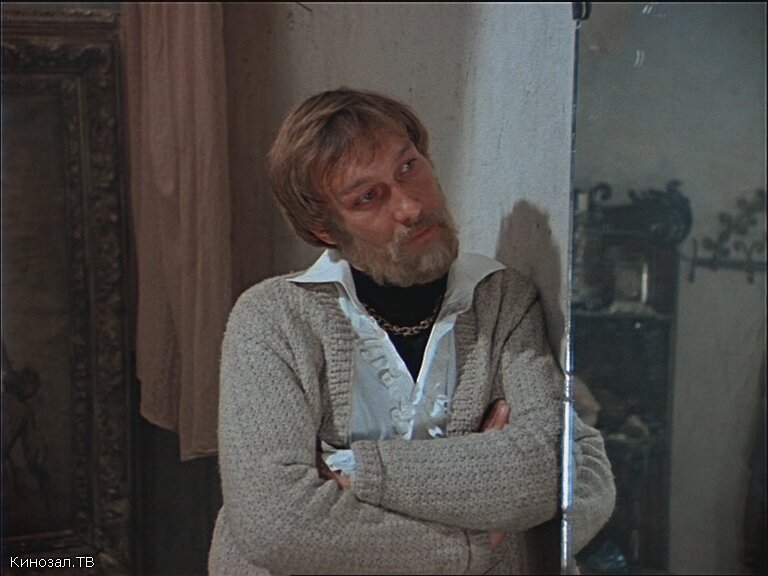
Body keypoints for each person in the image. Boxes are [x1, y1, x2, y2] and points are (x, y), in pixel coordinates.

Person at [208, 87, 615, 575]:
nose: (410, 206)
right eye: (368, 197)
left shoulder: (501, 299)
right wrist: (474, 544)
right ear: (325, 231)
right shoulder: (272, 318)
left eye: (408, 167)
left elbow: (552, 468)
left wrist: (358, 471)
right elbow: (278, 523)